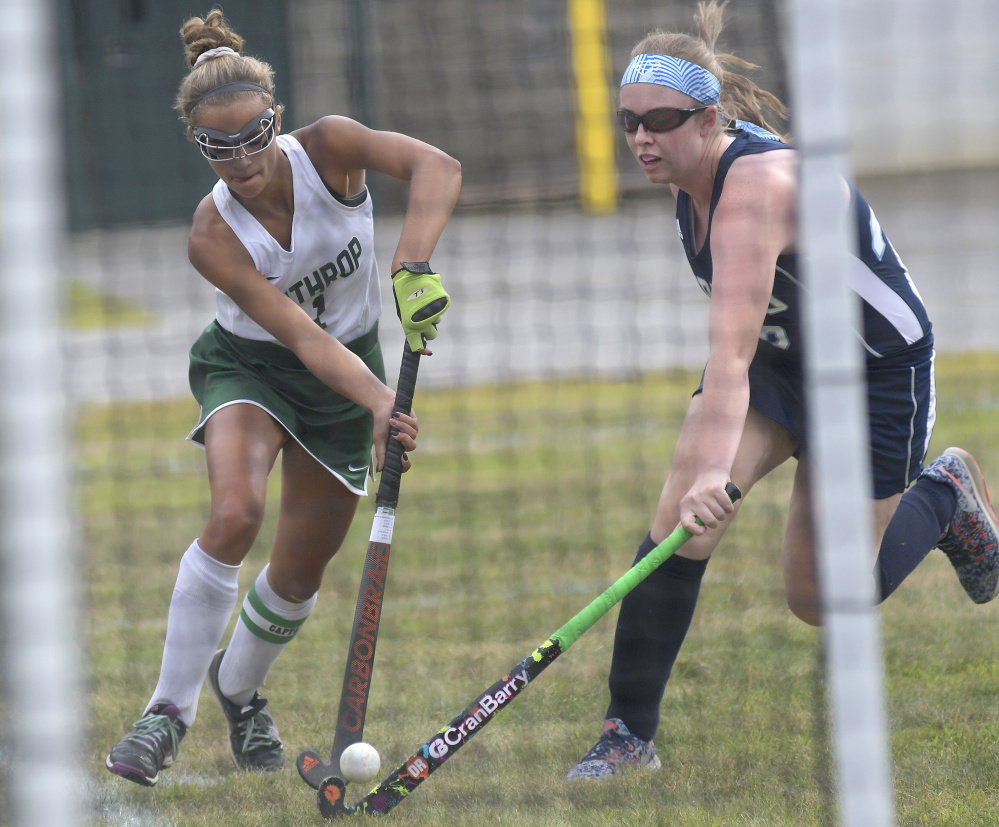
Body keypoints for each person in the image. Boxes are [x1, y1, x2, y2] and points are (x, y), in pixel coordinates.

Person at [567, 0, 999, 780]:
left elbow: (726, 352)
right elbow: (743, 347)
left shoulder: (756, 187)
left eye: (659, 120)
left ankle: (944, 494)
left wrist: (715, 473)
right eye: (627, 121)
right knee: (678, 521)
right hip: (779, 363)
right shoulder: (683, 175)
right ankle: (626, 735)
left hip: (872, 374)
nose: (639, 139)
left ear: (707, 120)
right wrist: (697, 479)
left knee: (821, 594)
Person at [105, 10, 460, 787]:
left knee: (297, 575)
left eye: (255, 136)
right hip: (253, 368)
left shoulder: (330, 147)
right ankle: (165, 713)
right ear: (198, 147)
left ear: (277, 119)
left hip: (350, 367)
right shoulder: (212, 234)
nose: (242, 160)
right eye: (218, 147)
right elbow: (300, 337)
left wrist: (412, 265)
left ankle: (238, 689)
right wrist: (379, 403)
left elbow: (439, 165)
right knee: (235, 512)